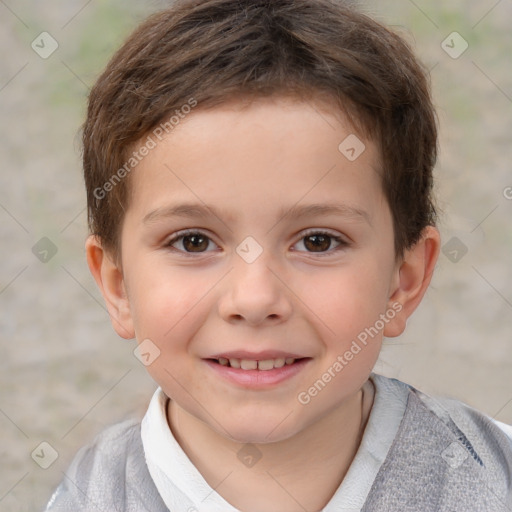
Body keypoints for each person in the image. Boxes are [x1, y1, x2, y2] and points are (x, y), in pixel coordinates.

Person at [45, 0, 512, 510]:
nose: (254, 298)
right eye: (193, 241)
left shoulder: (494, 474)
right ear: (118, 287)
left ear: (403, 280)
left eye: (317, 241)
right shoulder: (86, 497)